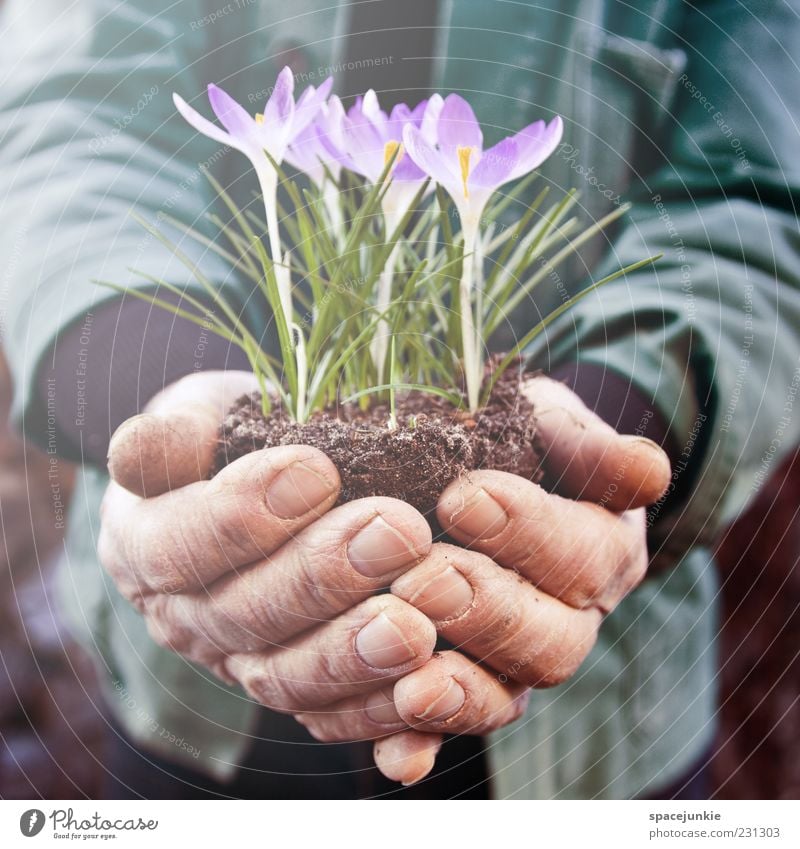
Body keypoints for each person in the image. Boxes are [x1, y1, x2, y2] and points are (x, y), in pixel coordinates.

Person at [2, 0, 798, 799]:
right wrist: (160, 402)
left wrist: (611, 442)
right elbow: (71, 116)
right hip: (198, 676)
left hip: (602, 709)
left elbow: (760, 201)